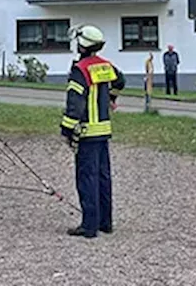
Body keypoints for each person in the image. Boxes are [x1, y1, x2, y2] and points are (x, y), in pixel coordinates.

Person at [60, 24, 125, 238]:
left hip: (87, 134)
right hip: (103, 132)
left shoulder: (80, 70)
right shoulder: (105, 66)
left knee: (87, 178)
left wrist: (67, 130)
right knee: (103, 178)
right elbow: (120, 81)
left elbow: (75, 105)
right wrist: (112, 97)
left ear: (82, 44)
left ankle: (89, 226)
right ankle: (105, 222)